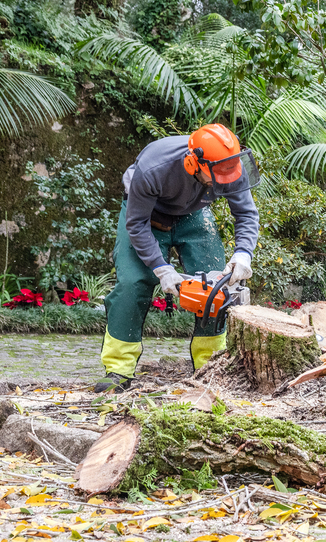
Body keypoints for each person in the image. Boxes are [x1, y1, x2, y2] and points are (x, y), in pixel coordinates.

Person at [96, 123, 260, 393]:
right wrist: (161, 268)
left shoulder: (229, 164)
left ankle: (209, 368)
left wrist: (243, 254)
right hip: (146, 217)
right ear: (193, 163)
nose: (227, 179)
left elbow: (246, 214)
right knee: (132, 284)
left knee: (215, 288)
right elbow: (135, 225)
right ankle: (118, 370)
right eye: (218, 174)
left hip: (194, 214)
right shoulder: (154, 167)